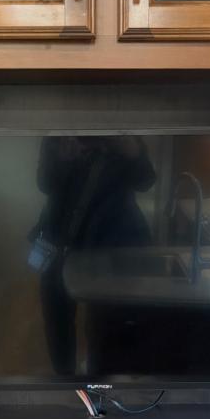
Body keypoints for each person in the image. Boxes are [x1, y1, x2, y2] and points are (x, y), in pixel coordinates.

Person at [29, 135, 156, 375]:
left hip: (109, 241)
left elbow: (146, 181)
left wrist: (131, 151)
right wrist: (63, 161)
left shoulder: (122, 134)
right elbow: (44, 184)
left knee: (101, 319)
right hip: (59, 236)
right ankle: (64, 378)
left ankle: (98, 378)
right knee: (56, 315)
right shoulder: (57, 134)